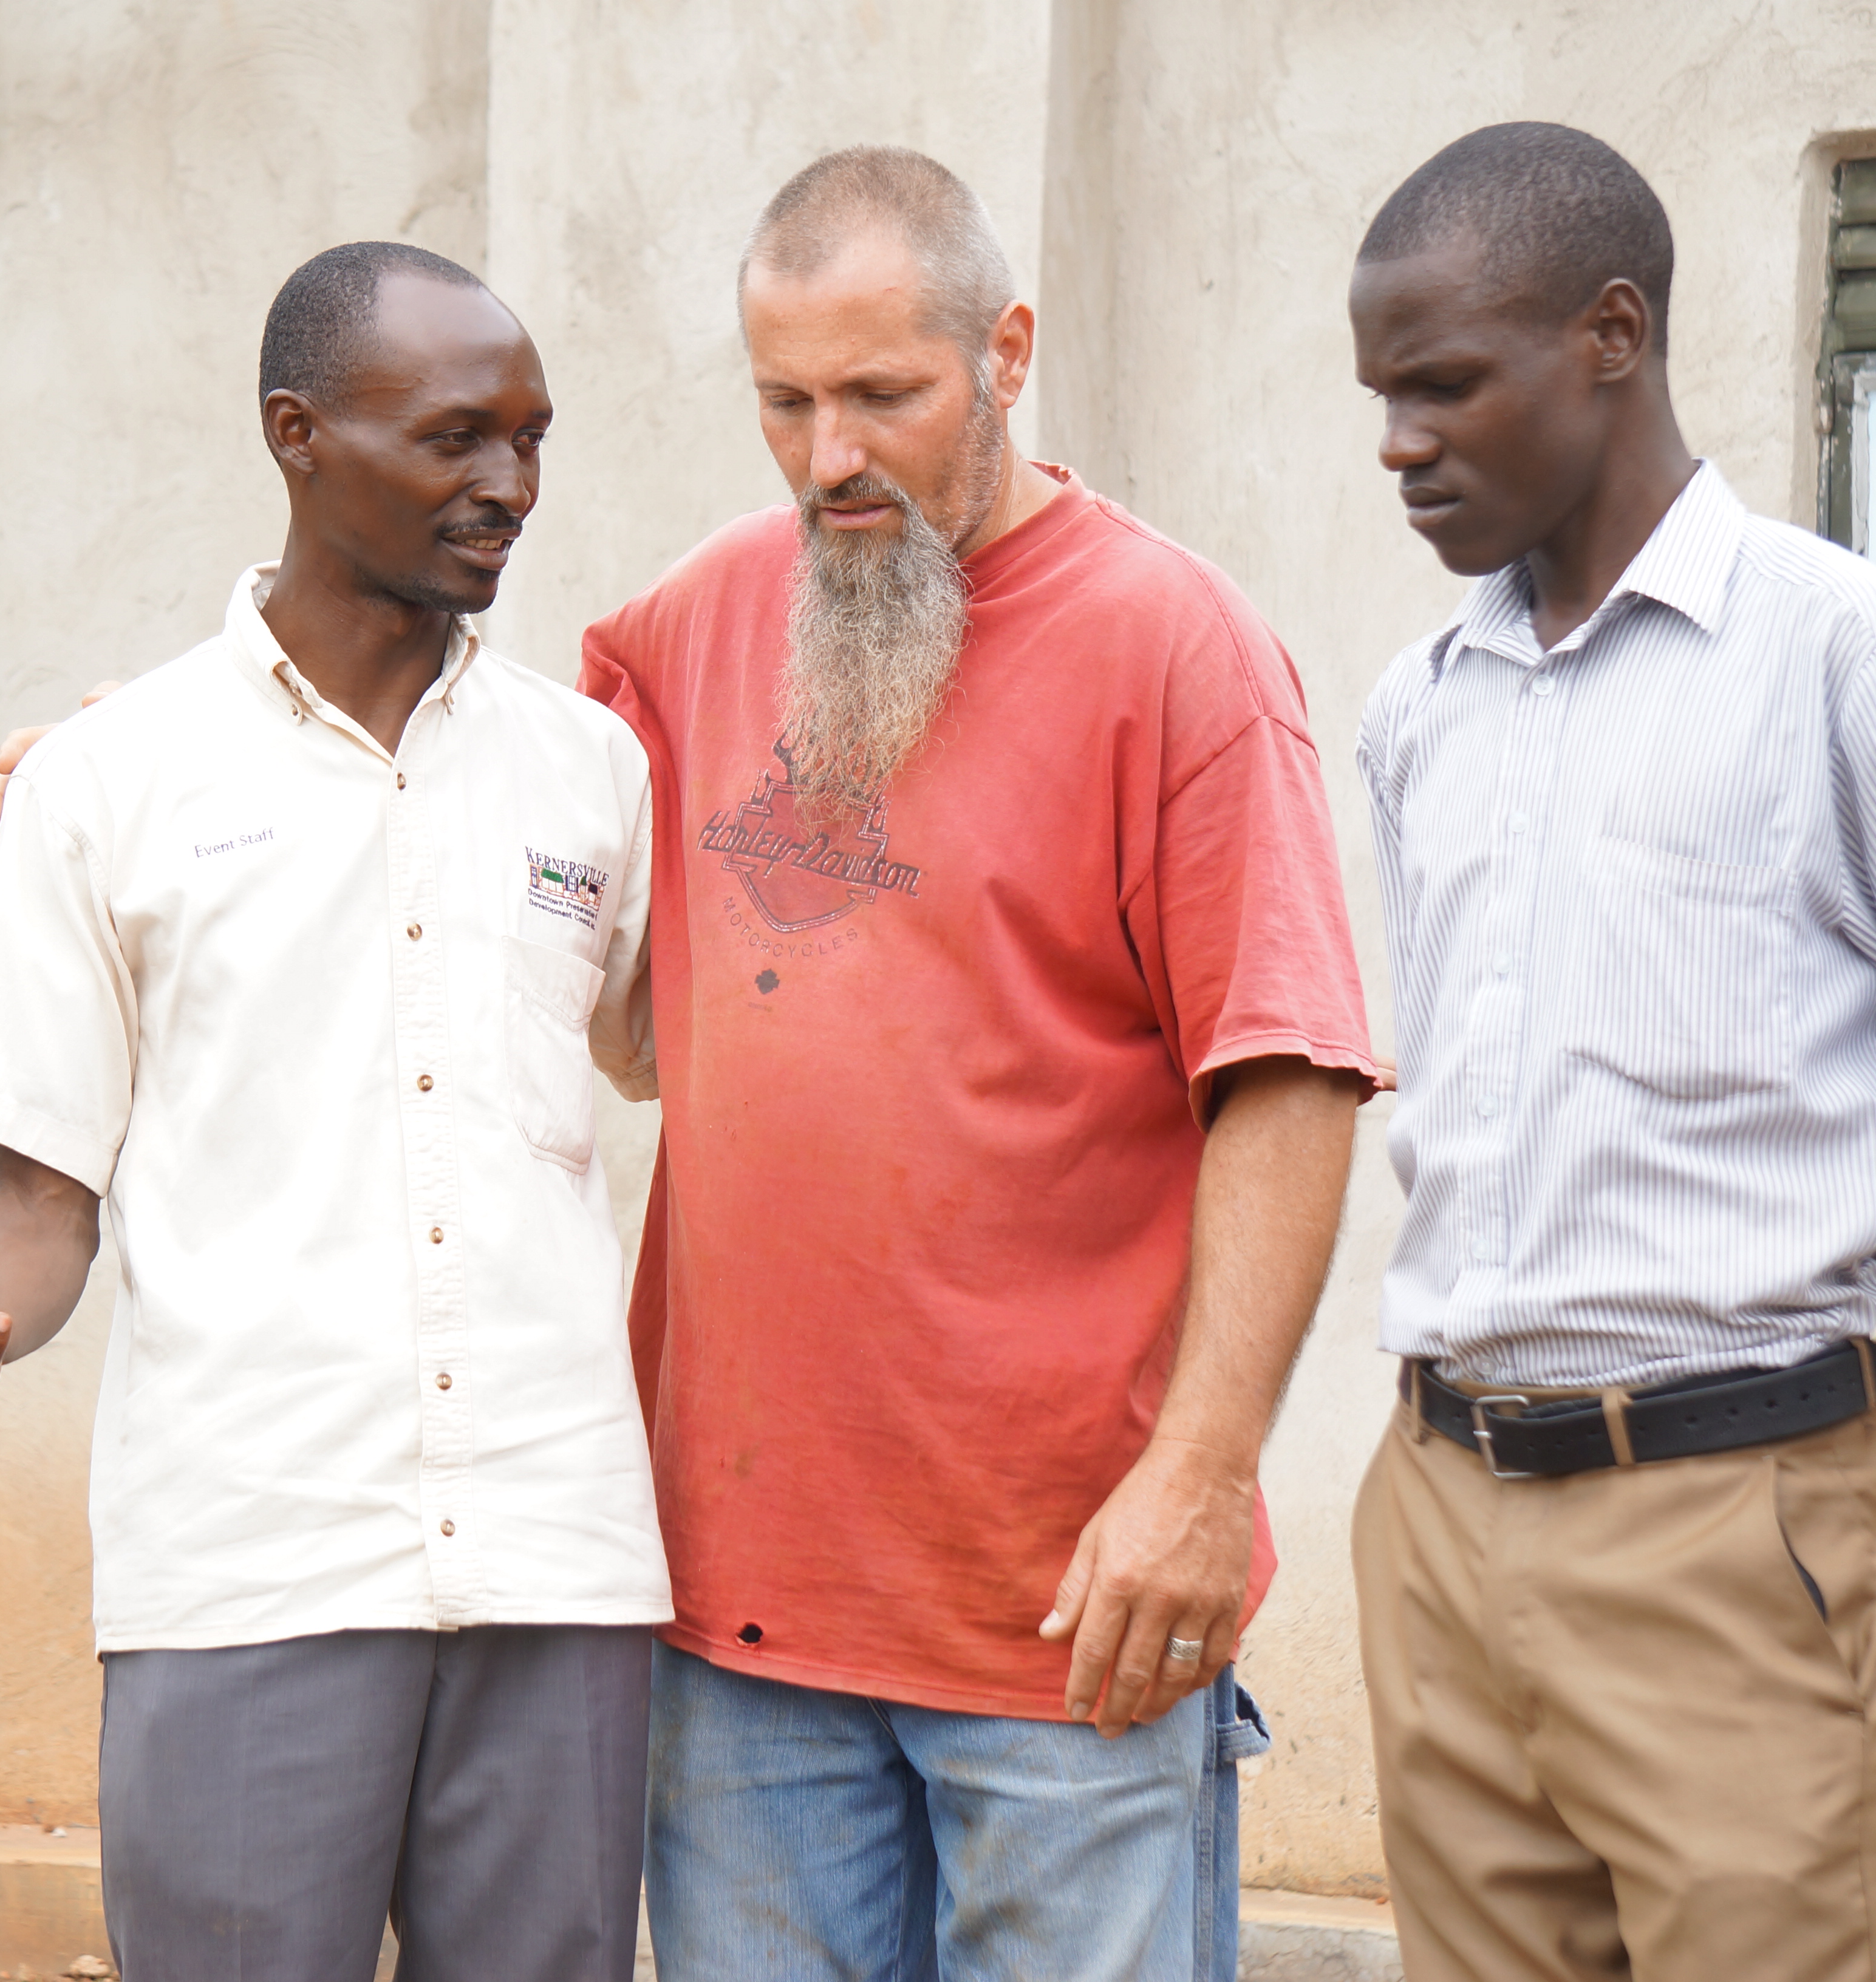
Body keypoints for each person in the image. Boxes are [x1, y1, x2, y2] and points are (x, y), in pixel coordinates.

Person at [1345, 123, 1876, 1982]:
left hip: (1728, 1517)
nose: (1398, 442)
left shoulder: (1855, 659)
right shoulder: (1420, 708)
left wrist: (1833, 1433)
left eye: (1444, 384)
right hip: (1440, 1506)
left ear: (1611, 335)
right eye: (1383, 396)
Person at [0, 240, 669, 1982]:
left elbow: (695, 1050)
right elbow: (40, 1201)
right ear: (298, 434)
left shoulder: (591, 769)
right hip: (249, 1568)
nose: (509, 485)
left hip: (558, 1559)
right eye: (454, 438)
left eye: (531, 438)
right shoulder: (106, 783)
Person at [583, 147, 1376, 1980]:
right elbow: (469, 815)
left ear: (1007, 352)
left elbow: (1288, 1080)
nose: (828, 459)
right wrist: (146, 764)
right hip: (739, 1623)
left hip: (1073, 1621)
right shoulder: (694, 622)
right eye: (785, 402)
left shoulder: (1178, 651)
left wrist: (1204, 1476)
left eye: (885, 395)